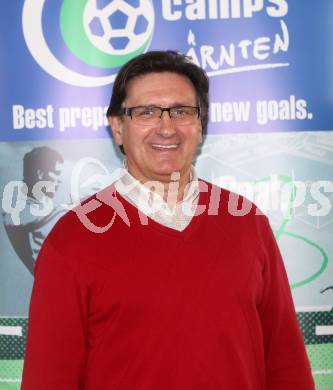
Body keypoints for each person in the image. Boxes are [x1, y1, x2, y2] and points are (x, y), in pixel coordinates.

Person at [21, 51, 314, 389]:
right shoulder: (72, 239)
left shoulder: (248, 223)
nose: (166, 127)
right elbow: (48, 378)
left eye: (181, 111)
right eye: (146, 112)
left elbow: (286, 362)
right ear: (117, 127)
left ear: (200, 125)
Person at [3, 146, 65, 275]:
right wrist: (63, 209)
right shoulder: (13, 204)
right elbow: (16, 219)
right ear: (40, 174)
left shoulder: (45, 203)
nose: (60, 180)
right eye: (56, 174)